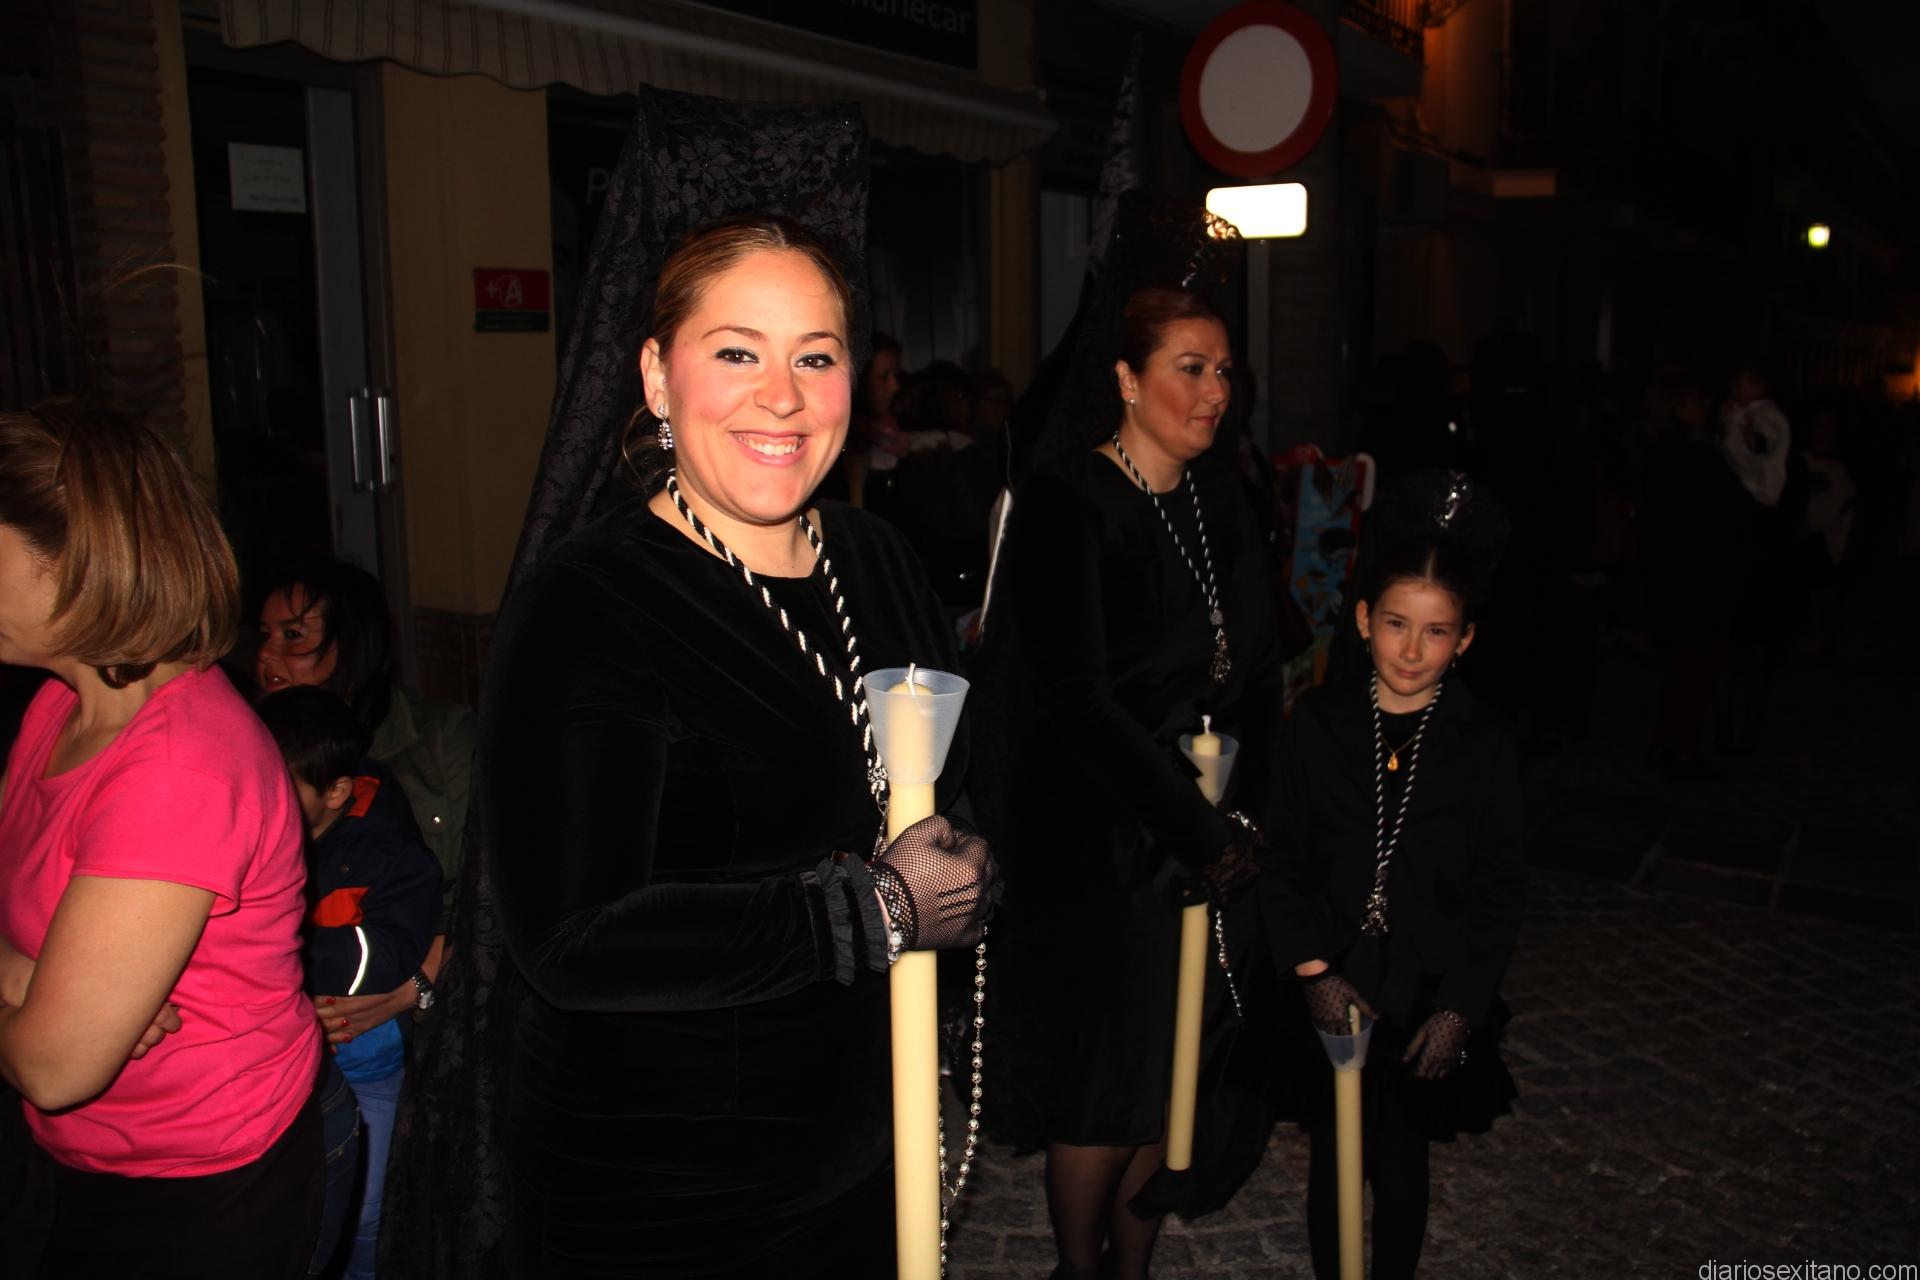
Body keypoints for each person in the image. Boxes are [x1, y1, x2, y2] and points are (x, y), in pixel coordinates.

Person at [386, 213, 998, 1277]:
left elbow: (929, 792)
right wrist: (877, 908)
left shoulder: (879, 558)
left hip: (866, 1136)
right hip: (666, 1189)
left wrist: (971, 863)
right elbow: (571, 938)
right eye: (737, 353)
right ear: (658, 378)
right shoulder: (590, 603)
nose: (783, 396)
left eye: (816, 357)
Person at [983, 286, 1283, 1280]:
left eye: (1224, 370)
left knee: (1176, 1072)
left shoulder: (1220, 498)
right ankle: (1081, 1268)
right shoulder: (1069, 501)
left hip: (1207, 827)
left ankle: (1133, 1265)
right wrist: (1201, 833)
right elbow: (1076, 697)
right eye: (1189, 368)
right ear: (1125, 377)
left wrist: (1247, 812)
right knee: (1109, 1083)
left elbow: (1258, 668)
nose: (1214, 391)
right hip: (1104, 841)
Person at [0, 400, 324, 1277]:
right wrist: (24, 979)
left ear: (79, 561)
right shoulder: (61, 706)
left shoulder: (179, 769)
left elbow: (55, 1067)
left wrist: (48, 1009)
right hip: (86, 1159)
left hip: (202, 1183)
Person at [1263, 497, 1527, 1280]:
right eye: (1396, 625)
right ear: (1364, 621)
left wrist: (1461, 1007)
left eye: (1437, 632)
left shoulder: (1483, 744)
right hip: (1331, 968)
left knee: (1403, 1155)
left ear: (1465, 638)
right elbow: (1282, 856)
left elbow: (1500, 887)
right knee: (1334, 1156)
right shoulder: (1318, 724)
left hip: (1424, 986)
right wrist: (1312, 969)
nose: (1412, 650)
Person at [259, 686, 441, 1280]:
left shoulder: (384, 848)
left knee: (365, 1210)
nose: (260, 796)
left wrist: (271, 953)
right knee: (293, 1213)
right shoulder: (249, 828)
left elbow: (390, 953)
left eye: (280, 785)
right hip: (278, 1065)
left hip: (363, 1061)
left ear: (335, 792)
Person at [253, 561, 474, 1042]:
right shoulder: (247, 744)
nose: (268, 654)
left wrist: (413, 987)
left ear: (351, 644)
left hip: (426, 1015)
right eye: (265, 635)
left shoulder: (441, 741)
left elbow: (494, 899)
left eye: (293, 636)